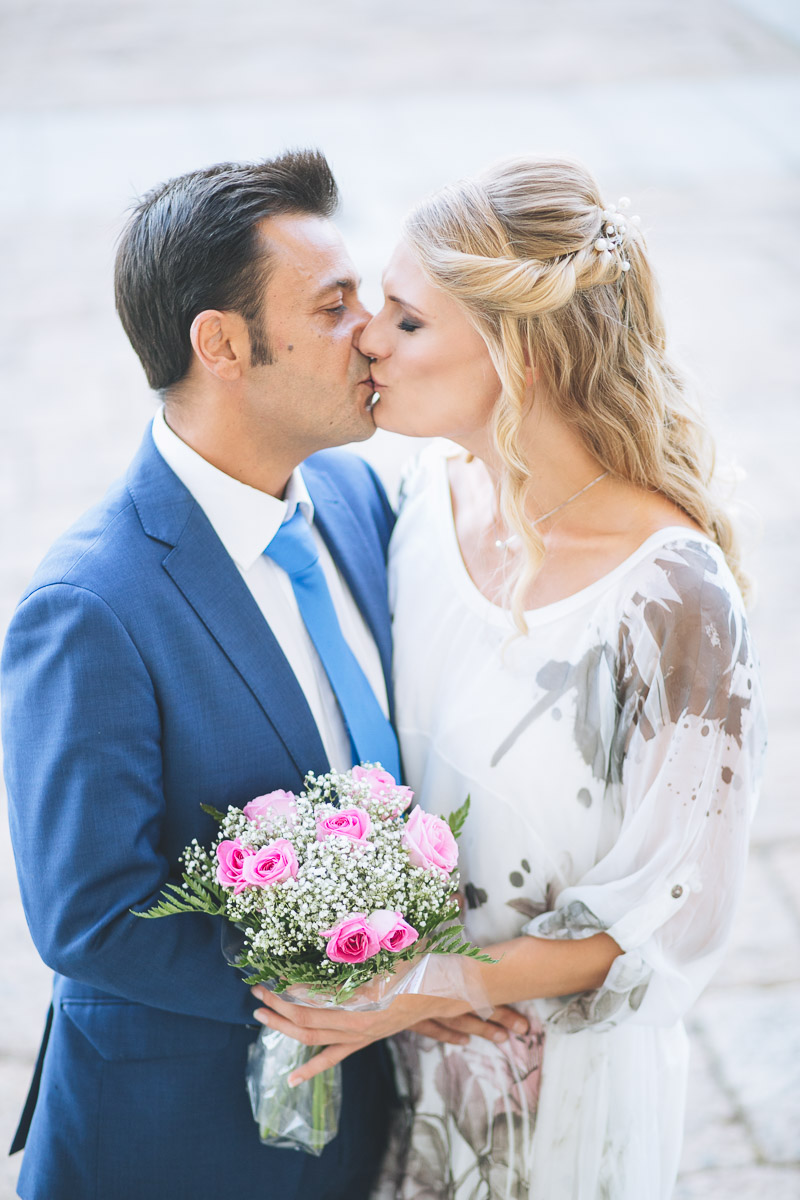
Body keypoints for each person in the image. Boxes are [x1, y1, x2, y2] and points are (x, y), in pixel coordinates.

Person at [250, 157, 767, 1199]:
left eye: (405, 320)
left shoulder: (672, 598)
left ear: (517, 354)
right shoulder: (422, 506)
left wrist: (415, 986)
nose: (365, 338)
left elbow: (661, 919)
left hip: (556, 1101)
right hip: (401, 1072)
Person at [3, 148, 405, 1200]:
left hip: (363, 1120)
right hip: (173, 1143)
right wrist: (361, 979)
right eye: (330, 308)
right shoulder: (90, 607)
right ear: (221, 344)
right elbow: (92, 914)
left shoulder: (357, 499)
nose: (368, 330)